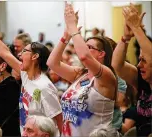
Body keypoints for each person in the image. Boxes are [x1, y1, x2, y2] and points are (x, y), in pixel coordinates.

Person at [0, 15, 63, 134]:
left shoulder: (45, 87)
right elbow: (4, 53)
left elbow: (58, 119)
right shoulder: (26, 75)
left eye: (24, 51)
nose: (19, 55)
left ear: (35, 56)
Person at [47, 2, 117, 136]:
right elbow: (52, 63)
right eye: (85, 46)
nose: (84, 49)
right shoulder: (81, 74)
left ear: (102, 54)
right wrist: (66, 36)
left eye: (89, 47)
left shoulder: (106, 76)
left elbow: (84, 56)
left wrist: (73, 27)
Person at [112, 4, 152, 136]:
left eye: (143, 60)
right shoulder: (142, 79)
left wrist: (136, 28)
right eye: (139, 59)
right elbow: (117, 65)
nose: (139, 65)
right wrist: (126, 37)